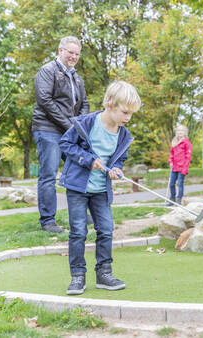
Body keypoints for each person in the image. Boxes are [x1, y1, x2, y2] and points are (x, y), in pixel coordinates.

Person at [59, 81, 141, 295]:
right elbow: (66, 144)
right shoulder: (86, 123)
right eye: (125, 112)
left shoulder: (123, 134)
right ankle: (77, 276)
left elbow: (119, 159)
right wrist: (88, 159)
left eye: (131, 114)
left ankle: (104, 273)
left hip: (101, 190)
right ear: (109, 104)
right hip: (78, 187)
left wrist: (116, 169)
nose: (128, 118)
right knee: (78, 231)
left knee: (106, 229)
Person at [32, 36, 90, 233]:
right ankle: (48, 221)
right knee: (49, 175)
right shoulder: (47, 71)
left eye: (77, 54)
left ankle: (81, 214)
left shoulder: (77, 77)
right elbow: (45, 102)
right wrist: (70, 126)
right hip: (48, 129)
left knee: (79, 169)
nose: (73, 57)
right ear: (60, 51)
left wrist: (79, 125)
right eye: (70, 52)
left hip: (69, 130)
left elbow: (85, 104)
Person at [168, 125, 192, 205]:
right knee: (171, 184)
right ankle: (172, 199)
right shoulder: (174, 142)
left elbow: (188, 157)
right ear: (176, 132)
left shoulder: (187, 142)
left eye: (182, 131)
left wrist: (185, 169)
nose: (180, 132)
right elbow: (171, 153)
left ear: (185, 133)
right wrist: (170, 161)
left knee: (180, 184)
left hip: (182, 167)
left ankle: (179, 200)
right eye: (178, 131)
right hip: (174, 167)